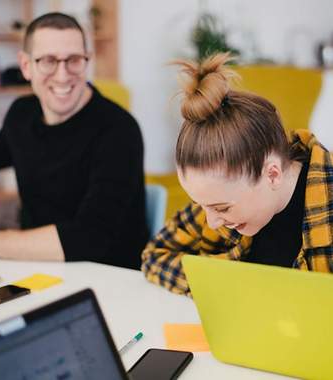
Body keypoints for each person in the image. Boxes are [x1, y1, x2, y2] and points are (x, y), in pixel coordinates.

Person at [0, 13, 148, 269]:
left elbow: (90, 237)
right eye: (48, 61)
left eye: (74, 60)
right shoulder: (22, 114)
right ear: (26, 66)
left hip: (107, 278)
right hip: (36, 269)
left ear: (86, 61)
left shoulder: (119, 130)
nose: (63, 75)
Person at [141, 52, 333, 295]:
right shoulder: (217, 197)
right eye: (201, 204)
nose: (211, 221)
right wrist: (225, 286)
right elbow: (154, 255)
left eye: (222, 208)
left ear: (272, 174)